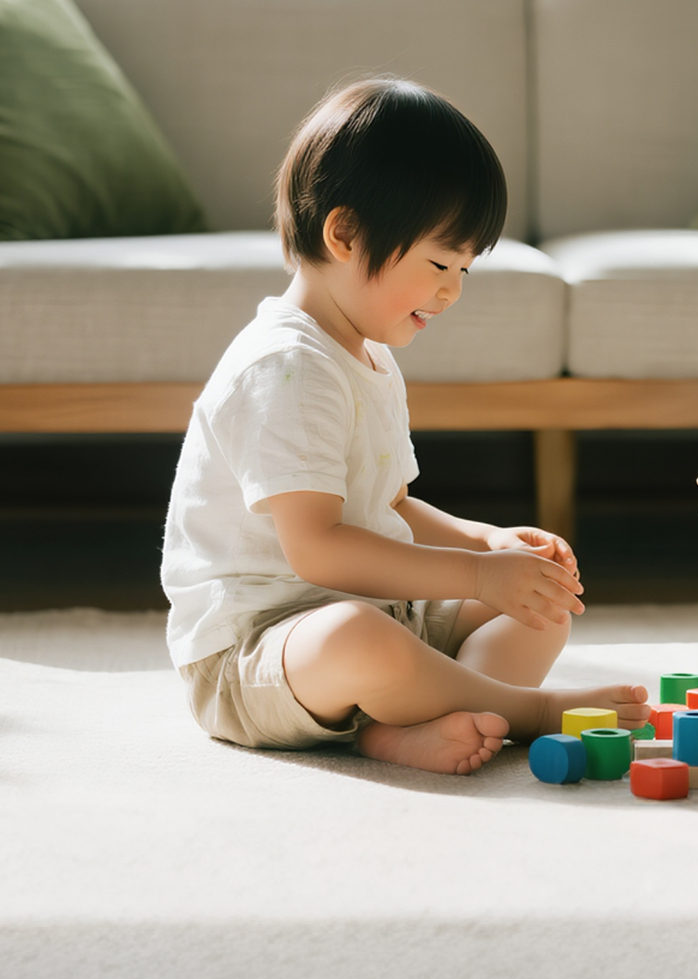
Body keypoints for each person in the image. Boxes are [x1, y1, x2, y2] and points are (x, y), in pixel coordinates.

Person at [162, 78, 646, 774]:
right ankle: (524, 710)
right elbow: (318, 550)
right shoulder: (286, 369)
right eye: (441, 263)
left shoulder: (369, 356)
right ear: (344, 234)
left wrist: (489, 545)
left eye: (465, 269)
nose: (453, 290)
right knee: (360, 638)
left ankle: (417, 723)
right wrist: (476, 575)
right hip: (257, 654)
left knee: (541, 608)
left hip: (382, 613)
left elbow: (389, 507)